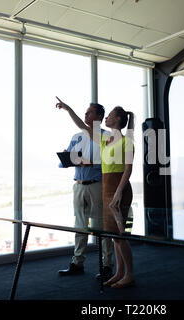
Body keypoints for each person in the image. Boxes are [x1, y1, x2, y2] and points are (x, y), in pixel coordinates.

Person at [56, 96, 136, 289]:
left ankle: (128, 274)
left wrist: (118, 193)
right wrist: (68, 109)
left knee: (119, 237)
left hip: (117, 189)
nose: (106, 118)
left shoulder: (125, 141)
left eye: (109, 116)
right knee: (114, 236)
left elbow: (128, 169)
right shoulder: (105, 140)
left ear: (116, 120)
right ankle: (118, 272)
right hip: (106, 188)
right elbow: (82, 127)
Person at [57, 102, 114, 281]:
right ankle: (77, 263)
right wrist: (68, 157)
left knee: (102, 227)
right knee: (79, 225)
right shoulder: (76, 136)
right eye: (85, 113)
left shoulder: (107, 136)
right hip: (79, 185)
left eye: (89, 113)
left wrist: (89, 162)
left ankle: (107, 265)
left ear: (98, 116)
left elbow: (110, 163)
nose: (86, 115)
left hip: (97, 185)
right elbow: (63, 163)